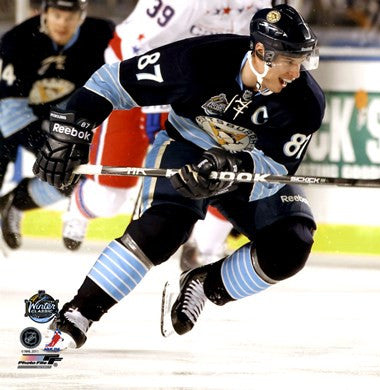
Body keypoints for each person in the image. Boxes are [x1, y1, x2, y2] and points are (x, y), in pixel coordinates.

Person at [33, 4, 324, 348]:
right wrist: (76, 124)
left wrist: (235, 170)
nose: (296, 72)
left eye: (300, 61)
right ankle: (77, 314)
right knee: (159, 232)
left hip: (246, 171)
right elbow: (113, 81)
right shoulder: (198, 59)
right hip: (186, 149)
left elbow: (276, 168)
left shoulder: (305, 101)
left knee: (292, 243)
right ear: (260, 52)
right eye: (289, 61)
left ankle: (204, 283)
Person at [62, 0, 272, 252]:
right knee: (108, 197)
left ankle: (206, 247)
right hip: (134, 81)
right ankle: (78, 210)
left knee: (224, 176)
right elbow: (133, 43)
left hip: (203, 92)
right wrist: (154, 104)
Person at [0, 0, 114, 249]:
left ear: (81, 16)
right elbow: (8, 110)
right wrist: (50, 143)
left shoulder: (101, 35)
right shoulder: (17, 40)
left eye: (69, 15)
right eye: (56, 15)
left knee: (68, 169)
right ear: (44, 14)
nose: (62, 23)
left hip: (60, 116)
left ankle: (16, 203)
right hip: (8, 118)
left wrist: (60, 146)